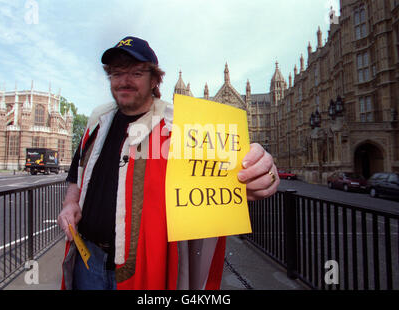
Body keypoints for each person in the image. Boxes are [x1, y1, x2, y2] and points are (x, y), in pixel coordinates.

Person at [58, 36, 280, 290]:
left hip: (146, 271)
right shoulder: (97, 121)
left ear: (154, 80)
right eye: (117, 73)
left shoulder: (181, 127)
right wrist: (70, 203)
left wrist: (262, 174)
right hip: (87, 262)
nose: (125, 80)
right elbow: (77, 174)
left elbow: (231, 174)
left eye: (136, 72)